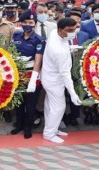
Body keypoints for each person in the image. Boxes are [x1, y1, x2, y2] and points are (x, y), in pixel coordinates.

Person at [42, 18, 82, 143]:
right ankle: (49, 134)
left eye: (74, 29)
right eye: (69, 30)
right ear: (60, 30)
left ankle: (52, 129)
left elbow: (64, 43)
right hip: (55, 80)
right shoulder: (58, 51)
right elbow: (66, 75)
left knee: (50, 106)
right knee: (59, 107)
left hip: (49, 77)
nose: (73, 32)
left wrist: (72, 48)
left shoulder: (55, 34)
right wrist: (73, 93)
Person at [10, 10, 45, 139]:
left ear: (34, 24)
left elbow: (38, 60)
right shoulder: (16, 36)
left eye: (30, 22)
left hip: (31, 74)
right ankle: (19, 124)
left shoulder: (39, 40)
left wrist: (33, 79)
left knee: (30, 104)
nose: (27, 25)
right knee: (19, 102)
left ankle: (27, 127)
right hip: (17, 73)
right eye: (24, 22)